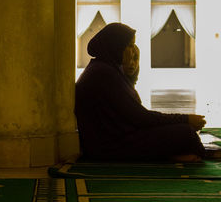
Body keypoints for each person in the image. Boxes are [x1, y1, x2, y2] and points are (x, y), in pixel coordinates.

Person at [75, 23, 206, 162]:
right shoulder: (104, 73)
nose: (133, 51)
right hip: (110, 147)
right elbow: (142, 118)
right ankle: (177, 156)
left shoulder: (104, 69)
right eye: (129, 46)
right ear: (116, 46)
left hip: (112, 142)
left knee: (180, 130)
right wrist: (185, 119)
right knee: (186, 133)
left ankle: (174, 155)